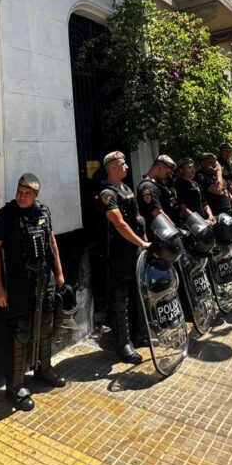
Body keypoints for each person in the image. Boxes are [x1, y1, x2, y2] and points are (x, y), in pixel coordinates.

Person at [0, 173, 66, 412]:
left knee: (45, 324)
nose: (22, 197)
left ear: (36, 195)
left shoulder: (43, 212)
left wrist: (60, 273)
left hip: (45, 280)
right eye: (19, 192)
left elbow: (52, 242)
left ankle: (44, 369)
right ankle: (16, 385)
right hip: (19, 283)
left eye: (27, 194)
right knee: (20, 331)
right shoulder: (6, 216)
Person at [99, 151, 151, 364]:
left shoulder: (127, 189)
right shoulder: (108, 194)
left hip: (135, 251)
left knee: (136, 293)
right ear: (112, 167)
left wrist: (144, 242)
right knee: (120, 299)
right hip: (119, 254)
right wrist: (141, 243)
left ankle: (139, 334)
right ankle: (124, 344)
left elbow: (138, 219)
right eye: (122, 164)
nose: (127, 167)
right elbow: (119, 224)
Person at [136, 155, 178, 229]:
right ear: (160, 168)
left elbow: (172, 198)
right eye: (167, 172)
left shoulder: (159, 184)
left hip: (166, 229)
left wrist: (171, 185)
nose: (168, 176)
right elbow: (157, 213)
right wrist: (174, 228)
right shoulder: (148, 186)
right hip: (160, 231)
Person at [173, 157, 216, 226]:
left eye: (193, 167)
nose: (193, 169)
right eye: (189, 167)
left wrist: (210, 216)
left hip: (204, 221)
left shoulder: (195, 183)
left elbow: (204, 203)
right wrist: (200, 221)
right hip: (191, 224)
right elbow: (183, 208)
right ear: (181, 170)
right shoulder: (179, 184)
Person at [197, 152, 232, 219]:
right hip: (216, 214)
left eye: (215, 161)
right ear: (203, 163)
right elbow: (217, 190)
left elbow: (226, 191)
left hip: (229, 212)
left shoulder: (216, 175)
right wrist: (219, 172)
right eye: (210, 161)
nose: (214, 164)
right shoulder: (201, 176)